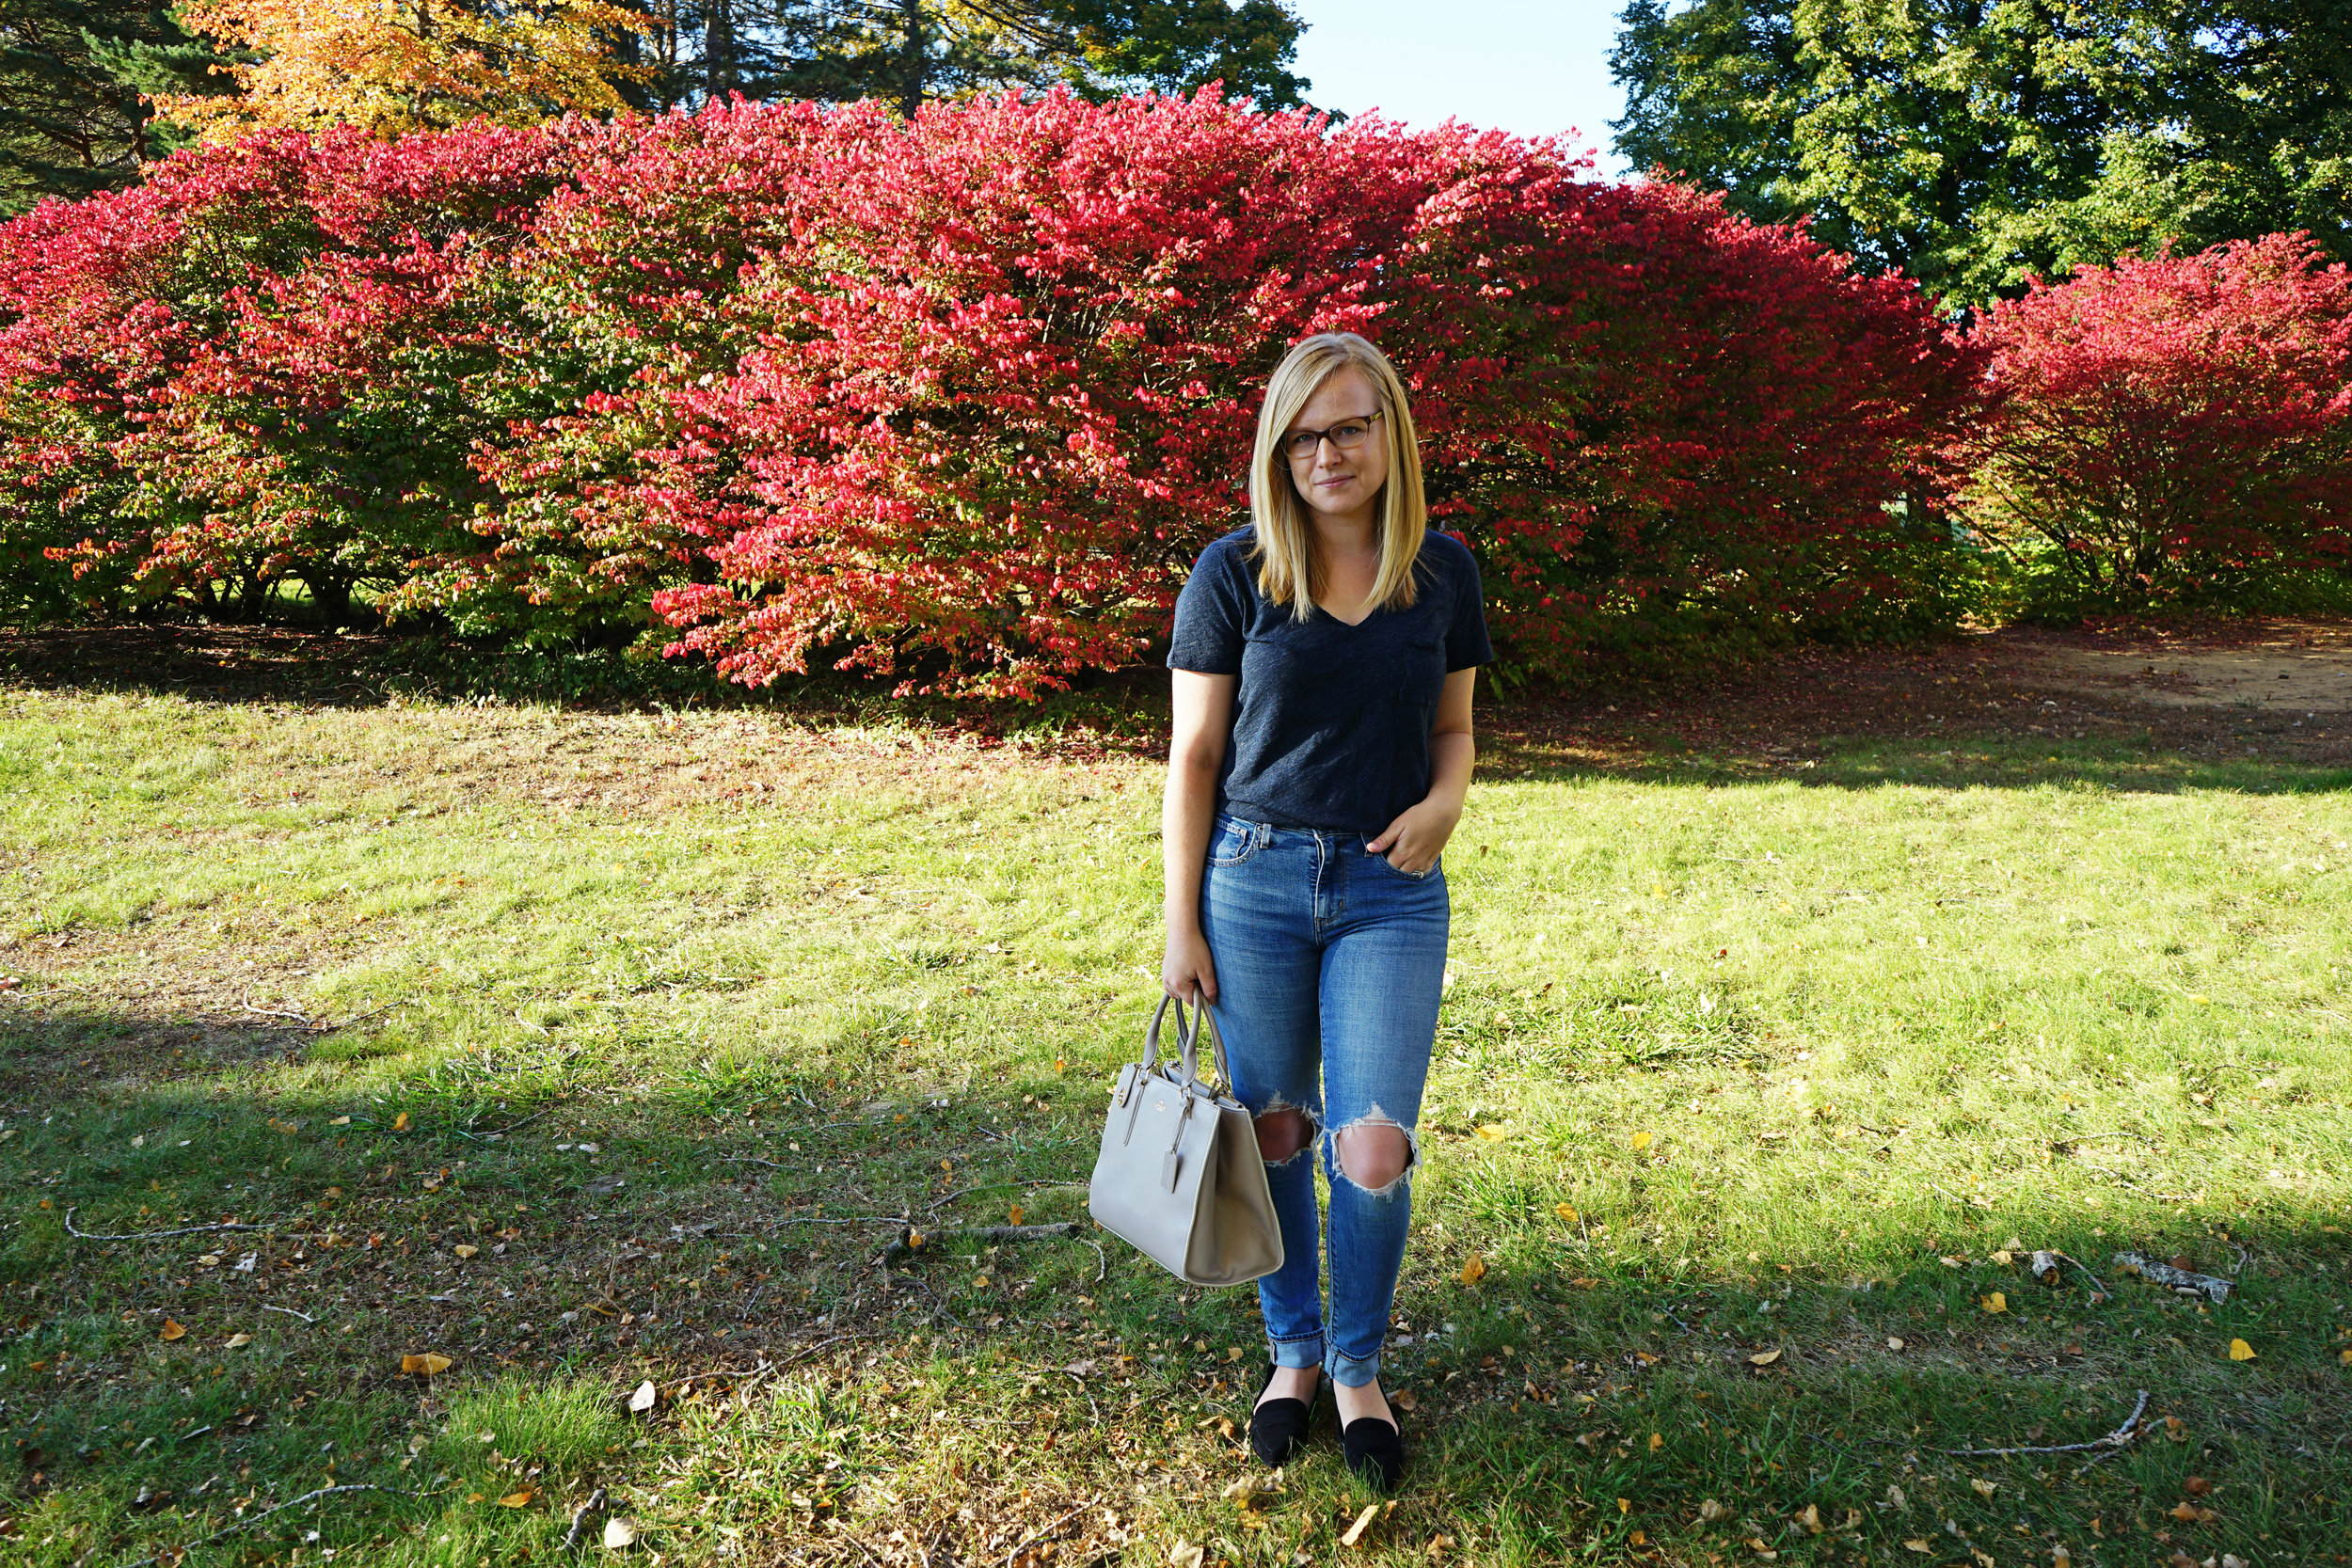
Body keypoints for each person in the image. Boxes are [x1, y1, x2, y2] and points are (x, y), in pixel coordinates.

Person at [1160, 331, 1489, 1492]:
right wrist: (1178, 919)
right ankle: (1290, 1352)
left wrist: (1446, 803)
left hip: (1388, 891)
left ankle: (1358, 1366)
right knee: (1272, 1129)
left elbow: (1451, 731)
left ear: (1388, 432)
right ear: (1276, 447)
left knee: (1373, 1145)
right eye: (1303, 433)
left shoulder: (1442, 573)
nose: (1327, 451)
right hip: (1248, 878)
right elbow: (1195, 756)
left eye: (1348, 425)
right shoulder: (1235, 572)